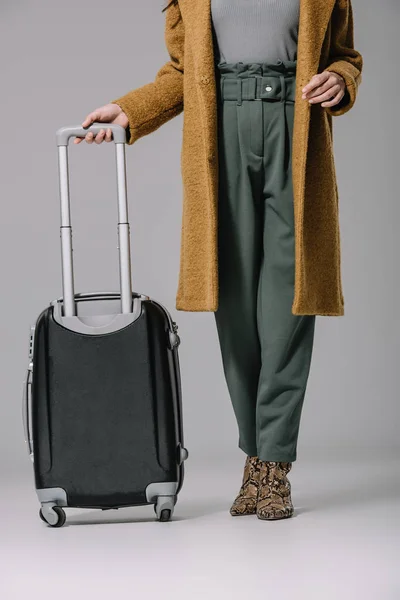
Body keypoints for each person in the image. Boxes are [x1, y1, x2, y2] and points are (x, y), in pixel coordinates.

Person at [75, 0, 363, 521]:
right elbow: (185, 73)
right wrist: (130, 111)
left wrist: (341, 79)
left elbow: (344, 57)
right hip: (219, 136)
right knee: (231, 307)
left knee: (289, 302)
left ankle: (273, 464)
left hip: (294, 133)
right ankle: (254, 453)